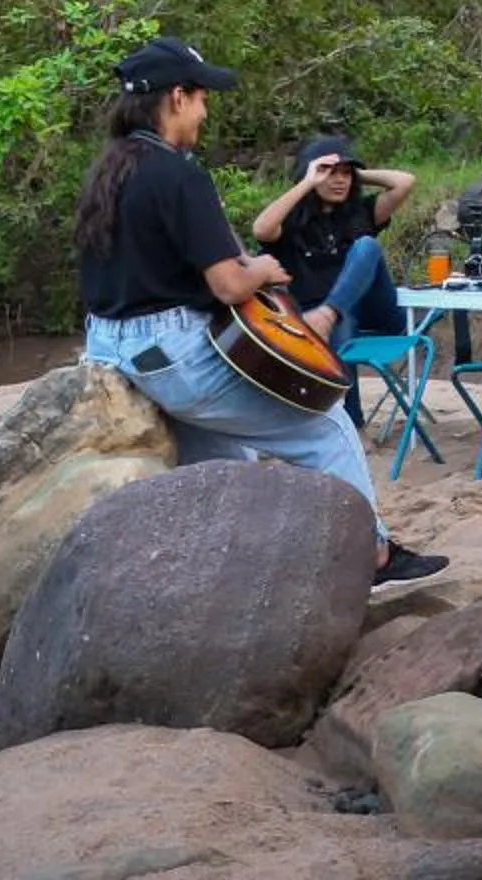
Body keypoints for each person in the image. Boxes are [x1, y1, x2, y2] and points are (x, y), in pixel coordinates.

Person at [74, 36, 445, 583]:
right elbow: (228, 284)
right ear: (177, 97)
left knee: (224, 458)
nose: (205, 111)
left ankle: (229, 569)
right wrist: (265, 272)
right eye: (202, 98)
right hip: (176, 354)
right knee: (328, 429)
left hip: (112, 348)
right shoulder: (178, 173)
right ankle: (374, 555)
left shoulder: (109, 171)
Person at [250, 135, 416, 350]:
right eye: (330, 173)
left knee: (366, 245)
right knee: (339, 325)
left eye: (345, 173)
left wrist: (356, 174)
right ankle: (329, 317)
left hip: (372, 309)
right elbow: (261, 229)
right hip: (315, 316)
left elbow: (405, 182)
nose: (340, 180)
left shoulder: (361, 213)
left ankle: (328, 313)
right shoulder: (291, 222)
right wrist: (308, 181)